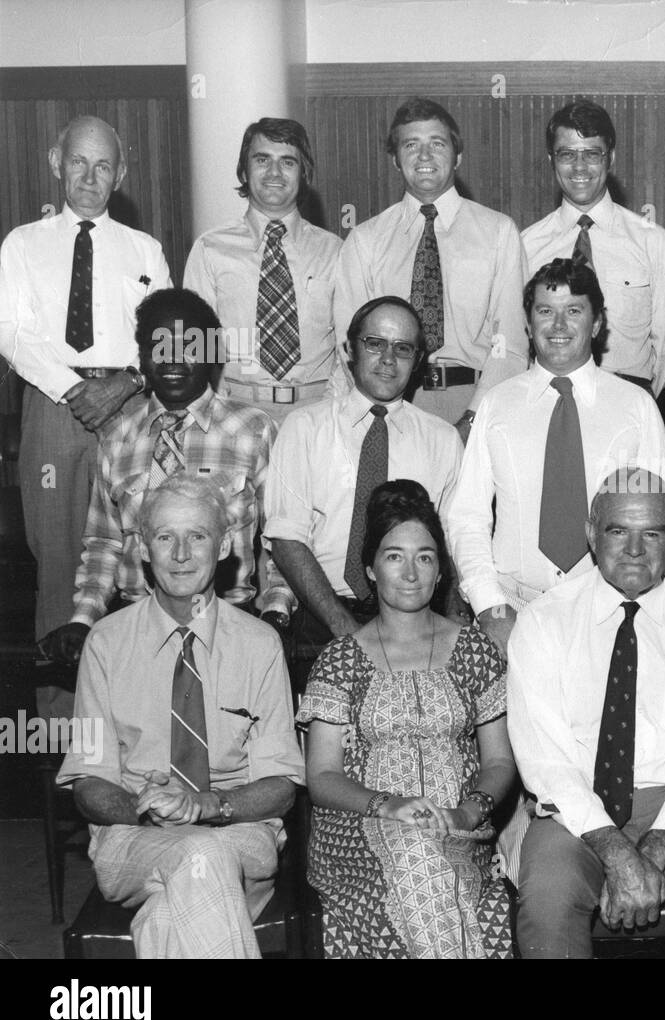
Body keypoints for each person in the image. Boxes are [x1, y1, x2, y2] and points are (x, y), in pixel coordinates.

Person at [508, 469, 665, 959]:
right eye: (617, 531)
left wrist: (649, 850)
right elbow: (545, 764)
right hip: (575, 811)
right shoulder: (543, 621)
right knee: (547, 891)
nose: (633, 549)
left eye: (651, 533)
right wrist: (614, 850)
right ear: (590, 534)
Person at [55, 473, 304, 958]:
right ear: (143, 549)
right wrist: (146, 808)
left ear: (226, 544)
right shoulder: (105, 644)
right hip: (133, 838)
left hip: (239, 834)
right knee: (201, 857)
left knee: (192, 875)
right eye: (166, 537)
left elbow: (280, 785)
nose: (182, 554)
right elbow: (87, 782)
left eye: (198, 536)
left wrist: (207, 806)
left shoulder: (260, 645)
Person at [297, 480, 516, 958]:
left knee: (431, 856)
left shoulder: (476, 650)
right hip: (359, 830)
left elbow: (499, 761)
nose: (411, 573)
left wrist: (468, 812)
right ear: (371, 569)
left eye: (426, 557)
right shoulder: (340, 660)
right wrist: (389, 805)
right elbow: (322, 777)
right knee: (418, 856)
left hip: (458, 826)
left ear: (441, 571)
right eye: (395, 556)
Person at [0, 115, 171, 718]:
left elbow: (165, 339)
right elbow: (12, 334)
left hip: (130, 412)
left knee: (138, 561)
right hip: (52, 410)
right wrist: (77, 391)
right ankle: (60, 742)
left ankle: (133, 727)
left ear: (120, 174)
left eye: (104, 166)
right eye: (79, 162)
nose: (90, 177)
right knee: (60, 566)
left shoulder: (144, 249)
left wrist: (124, 384)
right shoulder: (22, 244)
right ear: (55, 162)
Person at [39, 288, 285, 666]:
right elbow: (104, 545)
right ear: (142, 357)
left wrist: (276, 612)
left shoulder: (253, 431)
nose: (172, 357)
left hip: (229, 625)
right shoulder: (117, 438)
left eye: (189, 345)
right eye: (158, 345)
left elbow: (280, 539)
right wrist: (83, 620)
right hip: (135, 627)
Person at [445, 258, 665, 657]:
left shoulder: (636, 406)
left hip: (609, 610)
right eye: (546, 312)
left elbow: (657, 522)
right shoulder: (497, 405)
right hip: (512, 610)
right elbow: (467, 516)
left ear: (597, 323)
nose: (559, 325)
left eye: (574, 311)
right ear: (529, 325)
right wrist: (489, 608)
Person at [265, 296, 462, 645]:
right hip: (323, 615)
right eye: (375, 343)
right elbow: (286, 539)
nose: (388, 359)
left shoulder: (443, 439)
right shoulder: (305, 428)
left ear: (417, 361)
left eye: (403, 349)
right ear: (349, 349)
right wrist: (343, 627)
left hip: (413, 624)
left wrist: (449, 632)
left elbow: (455, 543)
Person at [336, 97, 529, 437]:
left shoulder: (499, 232)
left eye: (437, 144)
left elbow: (510, 343)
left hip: (477, 400)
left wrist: (474, 420)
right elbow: (349, 344)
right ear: (396, 160)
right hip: (391, 403)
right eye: (411, 145)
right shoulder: (365, 240)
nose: (424, 156)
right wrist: (378, 413)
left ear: (458, 156)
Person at [521, 99, 665, 397]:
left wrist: (635, 403)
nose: (579, 166)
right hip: (549, 402)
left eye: (592, 154)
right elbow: (519, 343)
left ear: (611, 158)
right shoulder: (526, 245)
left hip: (628, 400)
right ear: (550, 160)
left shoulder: (653, 242)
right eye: (567, 154)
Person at [184, 117, 343, 422]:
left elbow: (349, 344)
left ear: (304, 172)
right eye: (262, 160)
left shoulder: (334, 251)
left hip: (316, 413)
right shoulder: (210, 250)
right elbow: (196, 346)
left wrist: (333, 412)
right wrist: (212, 417)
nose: (274, 172)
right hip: (234, 413)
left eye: (287, 162)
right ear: (244, 170)